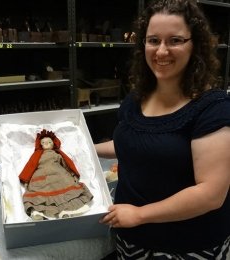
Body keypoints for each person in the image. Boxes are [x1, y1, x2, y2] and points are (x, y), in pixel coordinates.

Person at [96, 0, 230, 259]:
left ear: (196, 46)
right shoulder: (136, 99)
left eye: (175, 40)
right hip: (132, 239)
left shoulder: (212, 109)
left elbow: (211, 193)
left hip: (188, 246)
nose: (161, 51)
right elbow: (132, 145)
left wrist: (139, 214)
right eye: (153, 40)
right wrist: (82, 148)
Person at [19, 129, 93, 220]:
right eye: (43, 142)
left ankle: (69, 210)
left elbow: (66, 164)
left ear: (53, 143)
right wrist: (27, 179)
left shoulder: (57, 154)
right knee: (40, 193)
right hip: (41, 176)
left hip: (59, 175)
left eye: (49, 142)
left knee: (67, 188)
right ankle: (37, 212)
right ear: (40, 144)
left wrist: (72, 174)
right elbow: (30, 166)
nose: (46, 143)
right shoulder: (36, 156)